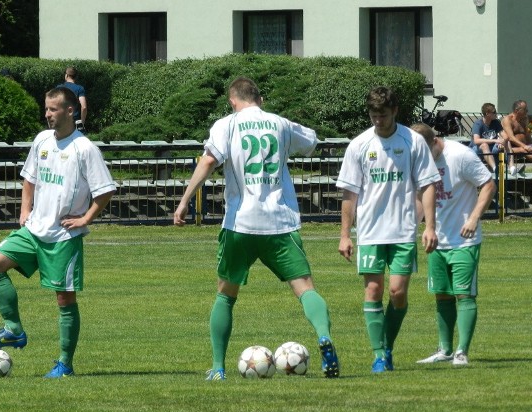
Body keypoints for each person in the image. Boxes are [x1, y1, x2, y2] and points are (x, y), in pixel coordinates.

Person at [173, 76, 340, 380]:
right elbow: (312, 141)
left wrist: (185, 201)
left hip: (241, 223)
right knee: (305, 288)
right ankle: (324, 336)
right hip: (280, 222)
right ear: (260, 99)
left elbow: (209, 160)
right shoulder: (279, 123)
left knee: (225, 295)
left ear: (232, 101)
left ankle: (219, 367)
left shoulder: (227, 124)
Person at [0, 87, 116, 378]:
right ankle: (14, 329)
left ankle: (64, 364)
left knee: (64, 300)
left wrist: (86, 219)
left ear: (70, 111)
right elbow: (29, 179)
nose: (47, 114)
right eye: (46, 109)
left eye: (53, 109)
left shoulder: (85, 149)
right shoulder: (41, 140)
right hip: (34, 230)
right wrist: (24, 210)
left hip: (63, 237)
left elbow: (105, 191)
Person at [336, 86, 440, 374]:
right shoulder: (359, 145)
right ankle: (380, 355)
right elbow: (349, 193)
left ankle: (387, 346)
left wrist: (429, 226)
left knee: (396, 293)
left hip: (403, 229)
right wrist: (345, 234)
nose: (377, 120)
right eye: (373, 115)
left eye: (382, 114)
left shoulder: (413, 141)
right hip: (369, 231)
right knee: (373, 290)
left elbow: (428, 184)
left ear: (395, 111)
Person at [411, 123, 496, 366]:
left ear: (434, 141)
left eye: (424, 152)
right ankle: (444, 350)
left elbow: (488, 185)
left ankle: (461, 352)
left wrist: (473, 217)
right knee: (442, 296)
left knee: (463, 294)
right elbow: (420, 197)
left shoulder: (461, 155)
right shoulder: (419, 160)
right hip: (437, 239)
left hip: (464, 239)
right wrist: (412, 227)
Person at [469, 102, 516, 174]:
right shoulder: (478, 124)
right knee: (484, 145)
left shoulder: (495, 122)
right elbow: (476, 141)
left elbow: (505, 136)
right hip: (477, 149)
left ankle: (512, 167)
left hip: (492, 148)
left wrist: (502, 141)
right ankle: (495, 168)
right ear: (487, 114)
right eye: (494, 112)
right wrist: (496, 140)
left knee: (508, 142)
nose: (496, 113)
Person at [501, 100, 532, 166]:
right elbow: (511, 138)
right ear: (517, 110)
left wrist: (531, 145)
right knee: (524, 151)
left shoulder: (525, 119)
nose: (527, 111)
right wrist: (524, 146)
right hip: (512, 149)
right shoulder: (507, 120)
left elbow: (527, 134)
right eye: (525, 109)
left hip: (525, 147)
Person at [58, 66, 87, 132]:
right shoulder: (79, 88)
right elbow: (84, 107)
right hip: (74, 122)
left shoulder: (59, 88)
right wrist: (82, 123)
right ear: (75, 76)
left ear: (66, 75)